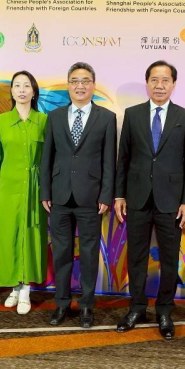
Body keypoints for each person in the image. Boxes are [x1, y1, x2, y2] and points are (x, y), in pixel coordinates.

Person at [114, 60, 185, 340]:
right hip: (137, 198)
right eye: (154, 80)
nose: (159, 85)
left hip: (171, 202)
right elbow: (123, 157)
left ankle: (164, 311)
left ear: (173, 84)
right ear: (147, 83)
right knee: (136, 257)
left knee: (169, 258)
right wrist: (119, 194)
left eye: (165, 80)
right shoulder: (133, 114)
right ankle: (136, 308)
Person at [41, 62, 117, 328]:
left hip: (91, 198)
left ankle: (86, 306)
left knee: (88, 254)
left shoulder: (106, 118)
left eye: (85, 81)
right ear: (68, 85)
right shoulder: (55, 116)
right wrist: (45, 191)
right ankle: (61, 303)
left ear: (93, 85)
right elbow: (47, 157)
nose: (80, 85)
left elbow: (109, 160)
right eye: (74, 81)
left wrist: (106, 195)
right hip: (59, 197)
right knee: (61, 253)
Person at [0, 71, 48, 315]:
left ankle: (26, 290)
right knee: (8, 237)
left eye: (26, 86)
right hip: (8, 189)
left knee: (32, 237)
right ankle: (14, 286)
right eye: (17, 86)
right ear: (11, 91)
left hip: (35, 190)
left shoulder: (44, 121)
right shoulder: (0, 122)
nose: (22, 90)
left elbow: (50, 159)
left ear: (34, 91)